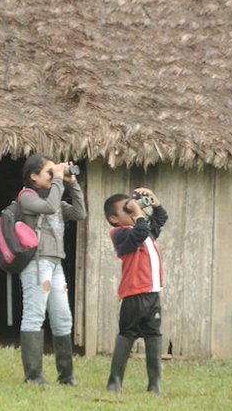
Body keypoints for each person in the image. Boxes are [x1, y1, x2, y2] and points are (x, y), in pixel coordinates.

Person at [17, 154, 86, 385]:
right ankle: (33, 376)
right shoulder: (27, 197)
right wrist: (58, 178)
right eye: (48, 171)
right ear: (33, 176)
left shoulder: (54, 198)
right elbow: (49, 207)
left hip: (55, 263)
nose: (53, 175)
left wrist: (72, 184)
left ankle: (66, 376)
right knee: (35, 315)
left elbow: (79, 214)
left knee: (63, 318)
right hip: (37, 263)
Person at [103, 188, 168, 395]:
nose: (133, 212)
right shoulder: (120, 234)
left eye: (133, 209)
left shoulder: (143, 230)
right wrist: (138, 214)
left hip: (152, 293)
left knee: (153, 334)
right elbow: (139, 232)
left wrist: (154, 201)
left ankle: (154, 384)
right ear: (114, 218)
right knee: (127, 334)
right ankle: (115, 382)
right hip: (133, 293)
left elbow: (160, 218)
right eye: (126, 210)